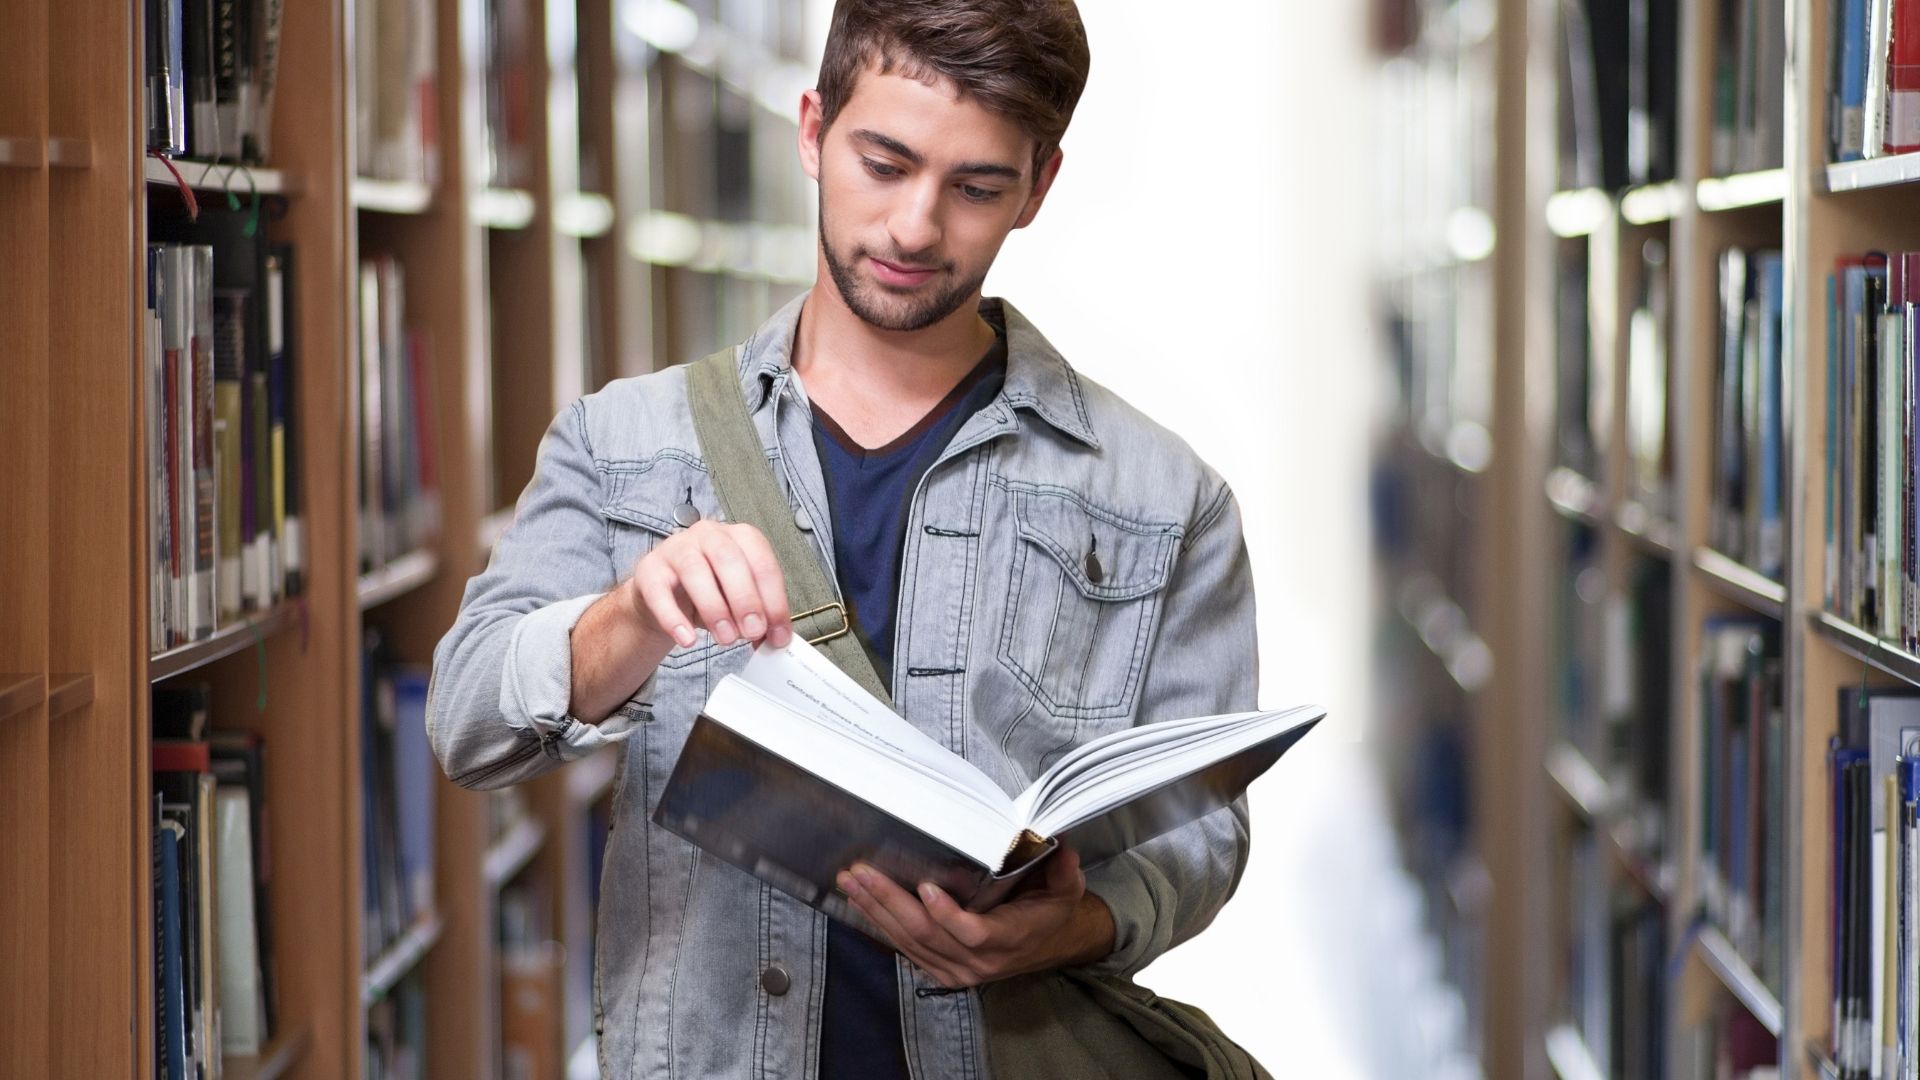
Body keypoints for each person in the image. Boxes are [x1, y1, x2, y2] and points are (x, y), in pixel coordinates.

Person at [429, 1, 1259, 1075]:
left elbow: (1205, 832)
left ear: (1040, 188)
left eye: (977, 187)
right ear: (814, 129)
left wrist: (1074, 925)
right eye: (886, 161)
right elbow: (465, 720)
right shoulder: (624, 443)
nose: (917, 227)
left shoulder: (1165, 496)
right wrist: (627, 616)